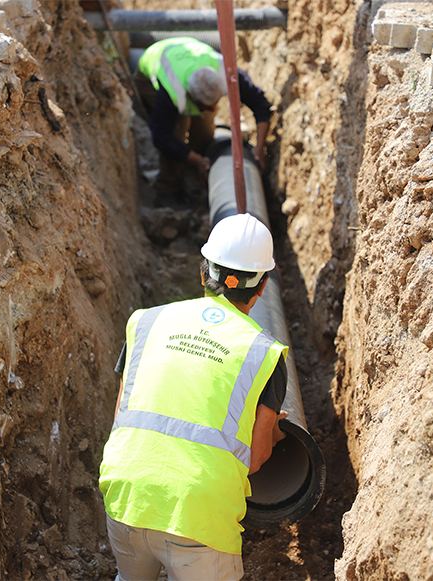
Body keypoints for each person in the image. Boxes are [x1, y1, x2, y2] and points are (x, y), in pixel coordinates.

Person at [99, 213, 289, 581]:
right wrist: (275, 432)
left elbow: (122, 419)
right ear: (262, 287)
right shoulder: (263, 352)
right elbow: (255, 457)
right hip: (198, 512)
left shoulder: (146, 322)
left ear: (204, 273)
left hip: (126, 494)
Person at [135, 37, 273, 203]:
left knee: (204, 132)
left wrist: (259, 148)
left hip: (190, 57)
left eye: (215, 103)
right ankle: (168, 188)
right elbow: (162, 137)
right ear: (191, 97)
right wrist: (198, 160)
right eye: (206, 107)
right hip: (152, 67)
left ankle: (197, 174)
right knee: (177, 132)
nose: (214, 109)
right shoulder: (172, 91)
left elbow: (261, 105)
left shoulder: (228, 73)